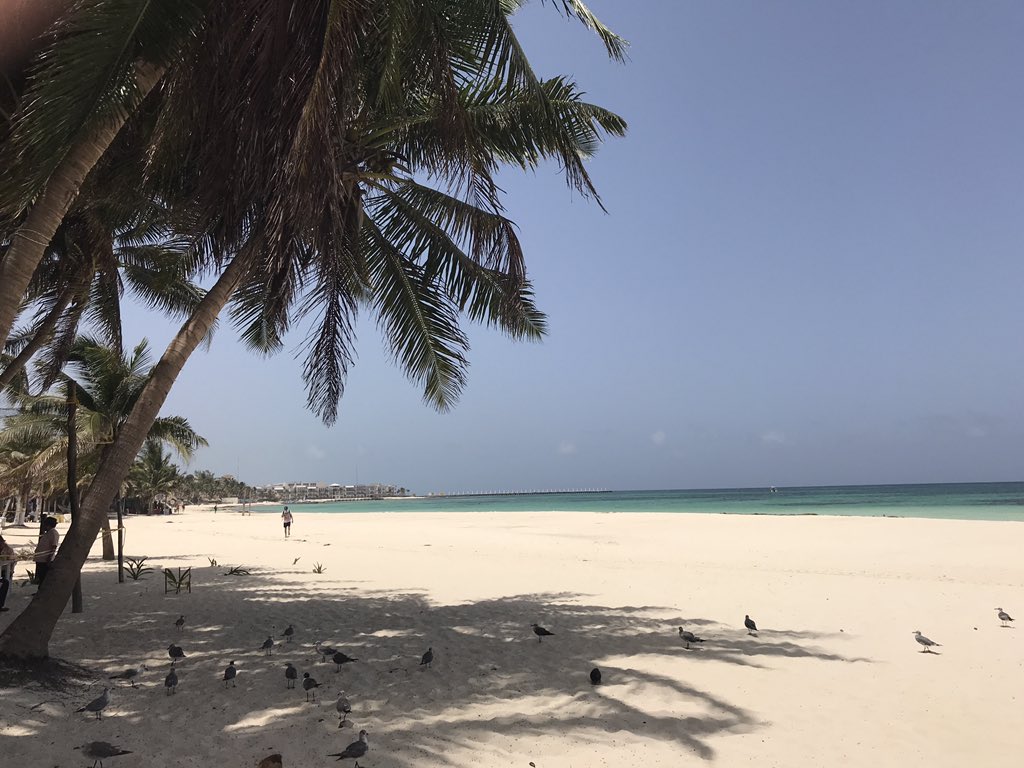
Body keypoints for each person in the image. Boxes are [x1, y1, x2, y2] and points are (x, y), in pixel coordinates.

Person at [33, 516, 59, 587]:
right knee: (41, 576)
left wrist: (49, 558)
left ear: (48, 525)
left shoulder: (53, 533)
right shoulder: (47, 533)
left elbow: (54, 546)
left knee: (44, 576)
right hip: (40, 559)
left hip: (45, 559)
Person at [0, 532, 16, 612]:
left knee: (5, 582)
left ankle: (0, 605)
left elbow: (13, 561)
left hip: (4, 570)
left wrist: (11, 571)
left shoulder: (9, 550)